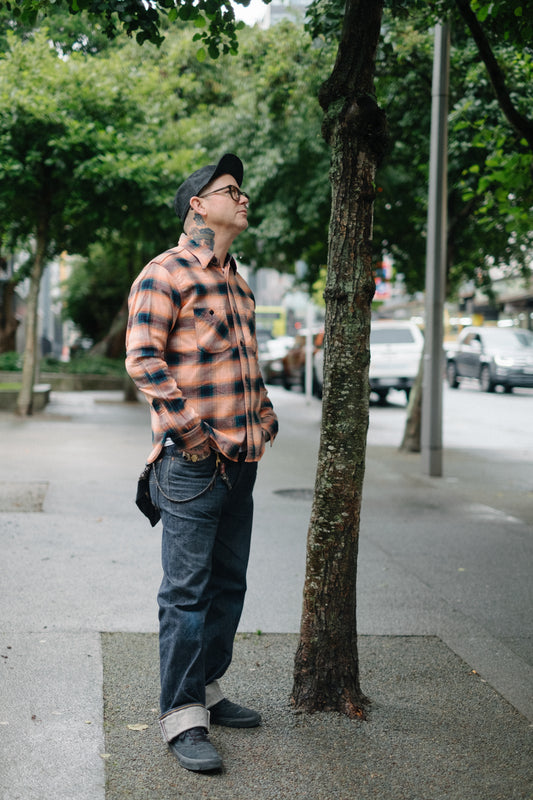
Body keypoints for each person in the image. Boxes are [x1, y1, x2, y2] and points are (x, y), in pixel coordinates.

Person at [125, 153, 278, 773]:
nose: (242, 199)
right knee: (186, 594)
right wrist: (190, 434)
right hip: (191, 464)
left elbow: (246, 368)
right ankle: (181, 718)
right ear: (198, 205)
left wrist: (265, 419)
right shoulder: (166, 273)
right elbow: (143, 360)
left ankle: (209, 693)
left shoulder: (236, 281)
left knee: (228, 584)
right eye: (230, 191)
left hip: (241, 462)